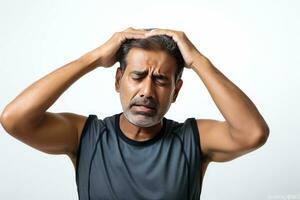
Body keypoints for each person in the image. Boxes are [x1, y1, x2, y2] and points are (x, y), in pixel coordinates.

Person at [0, 27, 269, 199]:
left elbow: (253, 133)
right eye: (137, 76)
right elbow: (14, 119)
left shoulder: (193, 139)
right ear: (118, 80)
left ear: (176, 91)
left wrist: (198, 61)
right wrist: (92, 58)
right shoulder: (86, 136)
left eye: (161, 80)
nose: (147, 91)